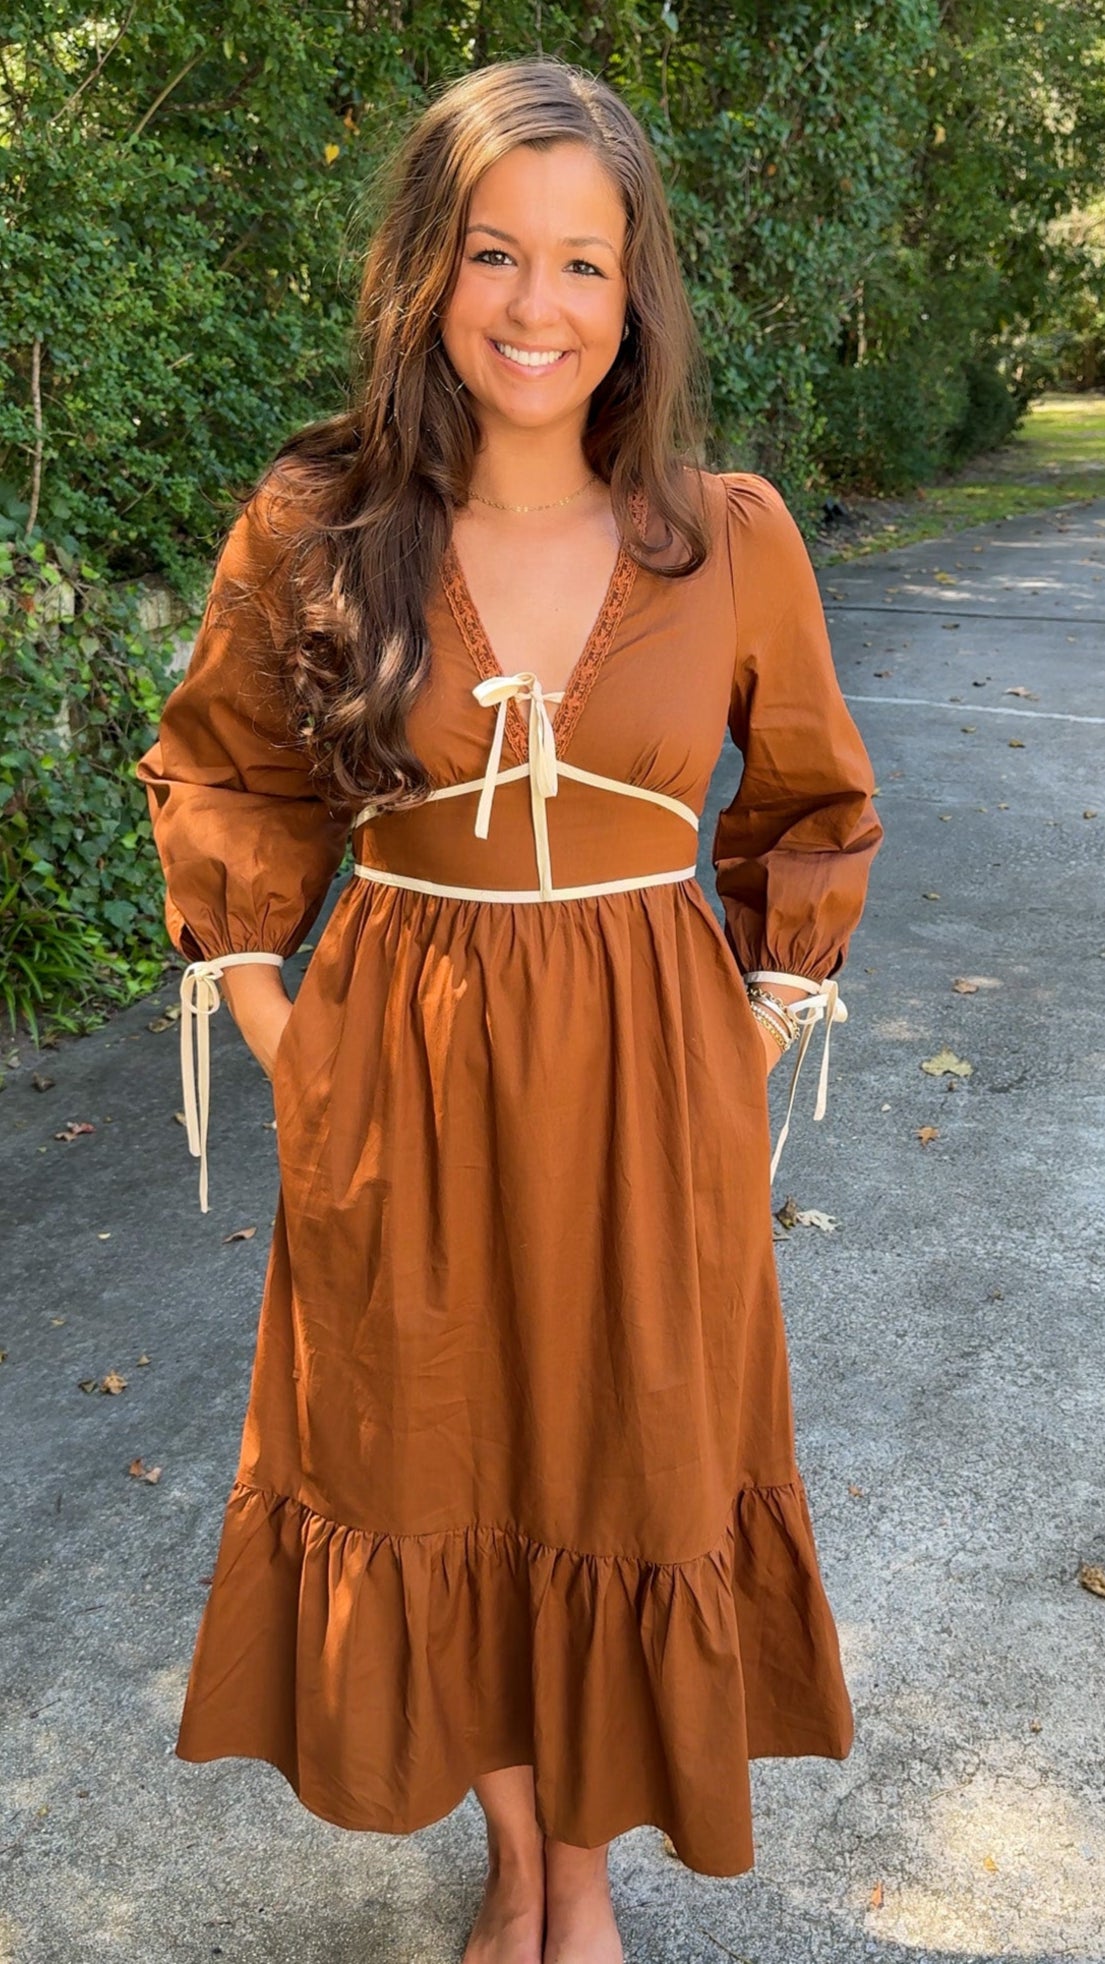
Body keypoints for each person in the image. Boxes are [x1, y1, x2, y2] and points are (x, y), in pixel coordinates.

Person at [135, 53, 884, 1964]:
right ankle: (512, 1861)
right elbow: (222, 769)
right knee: (430, 1446)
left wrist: (748, 1031)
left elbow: (807, 806)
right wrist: (282, 1029)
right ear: (427, 273)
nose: (534, 308)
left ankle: (583, 1884)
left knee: (623, 1451)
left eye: (580, 263)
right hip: (402, 1064)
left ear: (633, 296)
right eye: (494, 255)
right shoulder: (318, 519)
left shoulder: (725, 538)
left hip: (650, 1080)